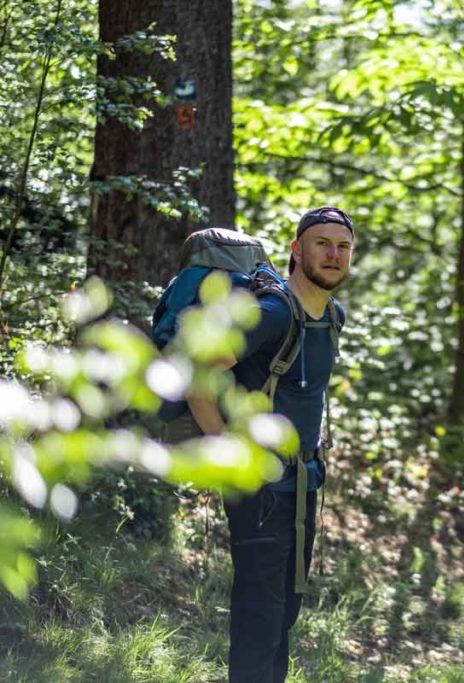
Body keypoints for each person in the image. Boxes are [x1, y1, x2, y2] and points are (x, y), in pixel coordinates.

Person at [187, 206, 355, 682]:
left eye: (343, 246)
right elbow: (197, 376)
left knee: (284, 613)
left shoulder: (331, 316)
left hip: (302, 484)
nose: (333, 254)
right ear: (297, 251)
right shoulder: (274, 314)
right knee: (261, 615)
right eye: (322, 243)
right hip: (259, 485)